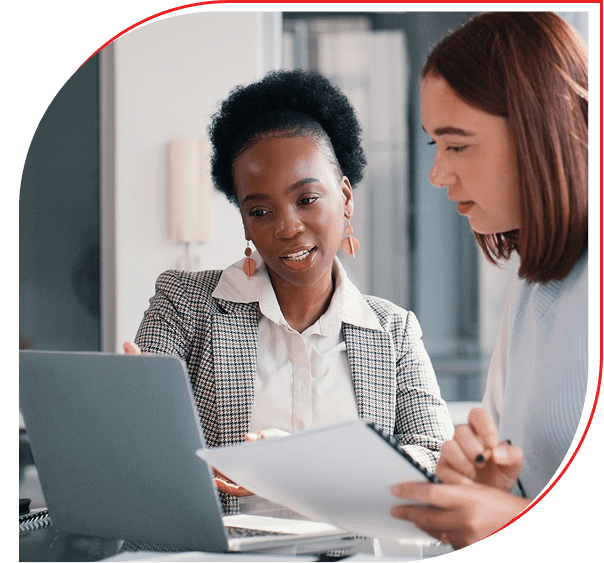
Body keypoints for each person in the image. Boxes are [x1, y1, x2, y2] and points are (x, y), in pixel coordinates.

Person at [125, 69, 454, 516]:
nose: (286, 227)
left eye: (307, 199)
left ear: (345, 197)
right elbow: (142, 454)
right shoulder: (185, 304)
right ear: (244, 221)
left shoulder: (394, 332)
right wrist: (131, 411)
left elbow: (435, 459)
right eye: (260, 210)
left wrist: (310, 463)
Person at [390, 11, 589, 550]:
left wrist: (513, 521)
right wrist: (490, 485)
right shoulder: (536, 283)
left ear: (541, 129)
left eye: (456, 145)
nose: (437, 174)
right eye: (435, 145)